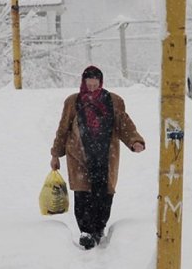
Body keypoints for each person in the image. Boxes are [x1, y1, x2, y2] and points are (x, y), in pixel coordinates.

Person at [50, 66, 145, 250]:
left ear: (101, 83)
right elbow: (63, 129)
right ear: (83, 83)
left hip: (105, 155)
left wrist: (134, 141)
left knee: (104, 194)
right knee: (82, 192)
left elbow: (124, 124)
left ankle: (98, 228)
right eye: (89, 84)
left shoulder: (114, 101)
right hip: (79, 154)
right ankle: (86, 232)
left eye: (95, 84)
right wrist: (55, 154)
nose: (92, 88)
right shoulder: (73, 102)